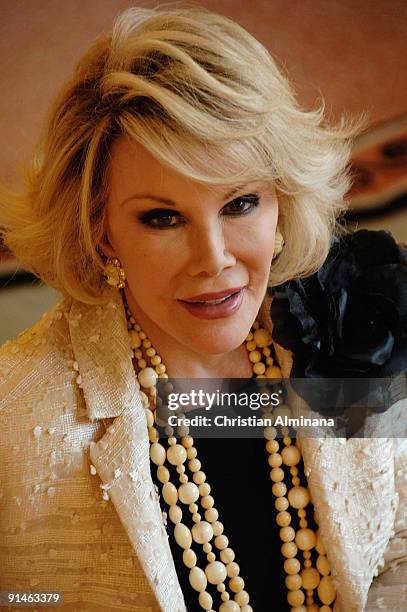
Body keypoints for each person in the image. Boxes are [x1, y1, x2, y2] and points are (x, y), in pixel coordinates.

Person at [0, 5, 406, 612]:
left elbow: (396, 545)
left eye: (241, 203)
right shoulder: (16, 416)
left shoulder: (351, 326)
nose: (213, 259)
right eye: (162, 218)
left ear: (281, 199)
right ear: (101, 231)